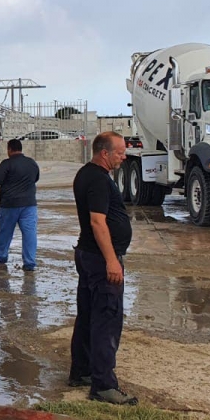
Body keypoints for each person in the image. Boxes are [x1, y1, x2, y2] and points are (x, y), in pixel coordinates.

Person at [70, 131, 137, 405]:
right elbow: (98, 223)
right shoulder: (98, 180)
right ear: (104, 153)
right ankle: (103, 385)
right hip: (99, 259)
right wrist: (111, 260)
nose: (124, 156)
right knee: (106, 320)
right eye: (120, 152)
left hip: (87, 255)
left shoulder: (86, 174)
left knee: (87, 316)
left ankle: (82, 371)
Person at [0, 138, 40, 271]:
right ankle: (30, 262)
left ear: (10, 149)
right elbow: (36, 178)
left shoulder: (7, 164)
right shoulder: (32, 163)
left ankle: (1, 255)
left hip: (9, 205)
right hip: (29, 205)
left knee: (5, 232)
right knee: (30, 233)